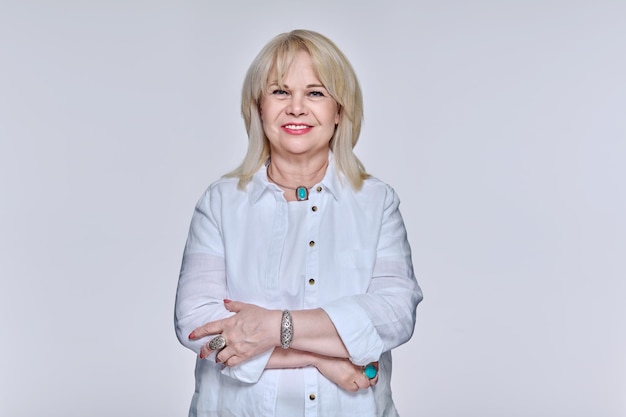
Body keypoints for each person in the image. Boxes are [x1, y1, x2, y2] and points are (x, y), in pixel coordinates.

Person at [174, 29, 422, 417]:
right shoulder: (220, 202)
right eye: (280, 91)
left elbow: (394, 314)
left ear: (339, 110)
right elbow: (196, 323)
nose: (296, 108)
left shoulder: (377, 202)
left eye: (316, 93)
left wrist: (274, 327)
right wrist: (325, 358)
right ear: (258, 107)